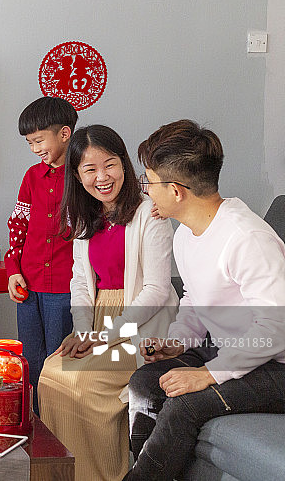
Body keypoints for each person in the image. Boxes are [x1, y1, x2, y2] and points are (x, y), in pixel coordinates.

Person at [123, 120, 285, 481]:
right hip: (233, 349)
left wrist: (209, 374)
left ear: (177, 191)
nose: (145, 190)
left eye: (149, 181)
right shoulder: (186, 233)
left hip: (278, 365)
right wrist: (177, 342)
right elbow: (195, 299)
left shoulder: (246, 238)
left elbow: (276, 327)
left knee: (185, 405)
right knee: (144, 382)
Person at [37, 125, 178, 481]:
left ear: (124, 164)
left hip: (140, 329)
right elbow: (81, 282)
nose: (102, 177)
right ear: (77, 175)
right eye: (89, 169)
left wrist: (102, 337)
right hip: (98, 324)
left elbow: (158, 291)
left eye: (109, 164)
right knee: (50, 374)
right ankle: (63, 474)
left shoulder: (150, 213)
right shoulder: (86, 216)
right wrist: (84, 331)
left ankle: (101, 475)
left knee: (81, 382)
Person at [4, 96, 78, 413]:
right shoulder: (33, 176)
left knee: (60, 362)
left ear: (64, 133)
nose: (34, 149)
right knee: (31, 360)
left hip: (66, 287)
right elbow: (18, 225)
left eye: (38, 140)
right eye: (29, 143)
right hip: (29, 284)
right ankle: (34, 423)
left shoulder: (84, 176)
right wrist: (12, 269)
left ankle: (59, 426)